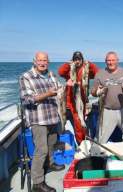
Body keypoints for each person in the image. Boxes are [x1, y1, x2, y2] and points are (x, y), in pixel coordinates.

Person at [19, 52, 64, 192]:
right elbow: (27, 99)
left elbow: (58, 88)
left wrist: (65, 86)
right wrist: (48, 94)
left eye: (45, 60)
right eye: (40, 60)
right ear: (34, 61)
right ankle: (37, 183)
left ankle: (50, 164)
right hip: (38, 119)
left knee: (52, 144)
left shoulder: (51, 75)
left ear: (48, 62)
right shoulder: (26, 77)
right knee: (41, 150)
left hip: (52, 117)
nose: (42, 63)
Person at [91, 51, 123, 143]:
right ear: (105, 61)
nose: (111, 62)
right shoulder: (100, 74)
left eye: (113, 60)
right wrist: (97, 91)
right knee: (100, 138)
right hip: (107, 111)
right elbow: (93, 92)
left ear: (117, 61)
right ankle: (97, 154)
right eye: (108, 60)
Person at [58, 51, 99, 145]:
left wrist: (90, 64)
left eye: (79, 59)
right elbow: (60, 72)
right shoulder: (69, 70)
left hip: (81, 101)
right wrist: (67, 64)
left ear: (82, 60)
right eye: (75, 59)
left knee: (79, 126)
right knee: (63, 122)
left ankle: (82, 144)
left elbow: (97, 72)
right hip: (68, 102)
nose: (77, 61)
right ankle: (65, 142)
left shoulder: (87, 70)